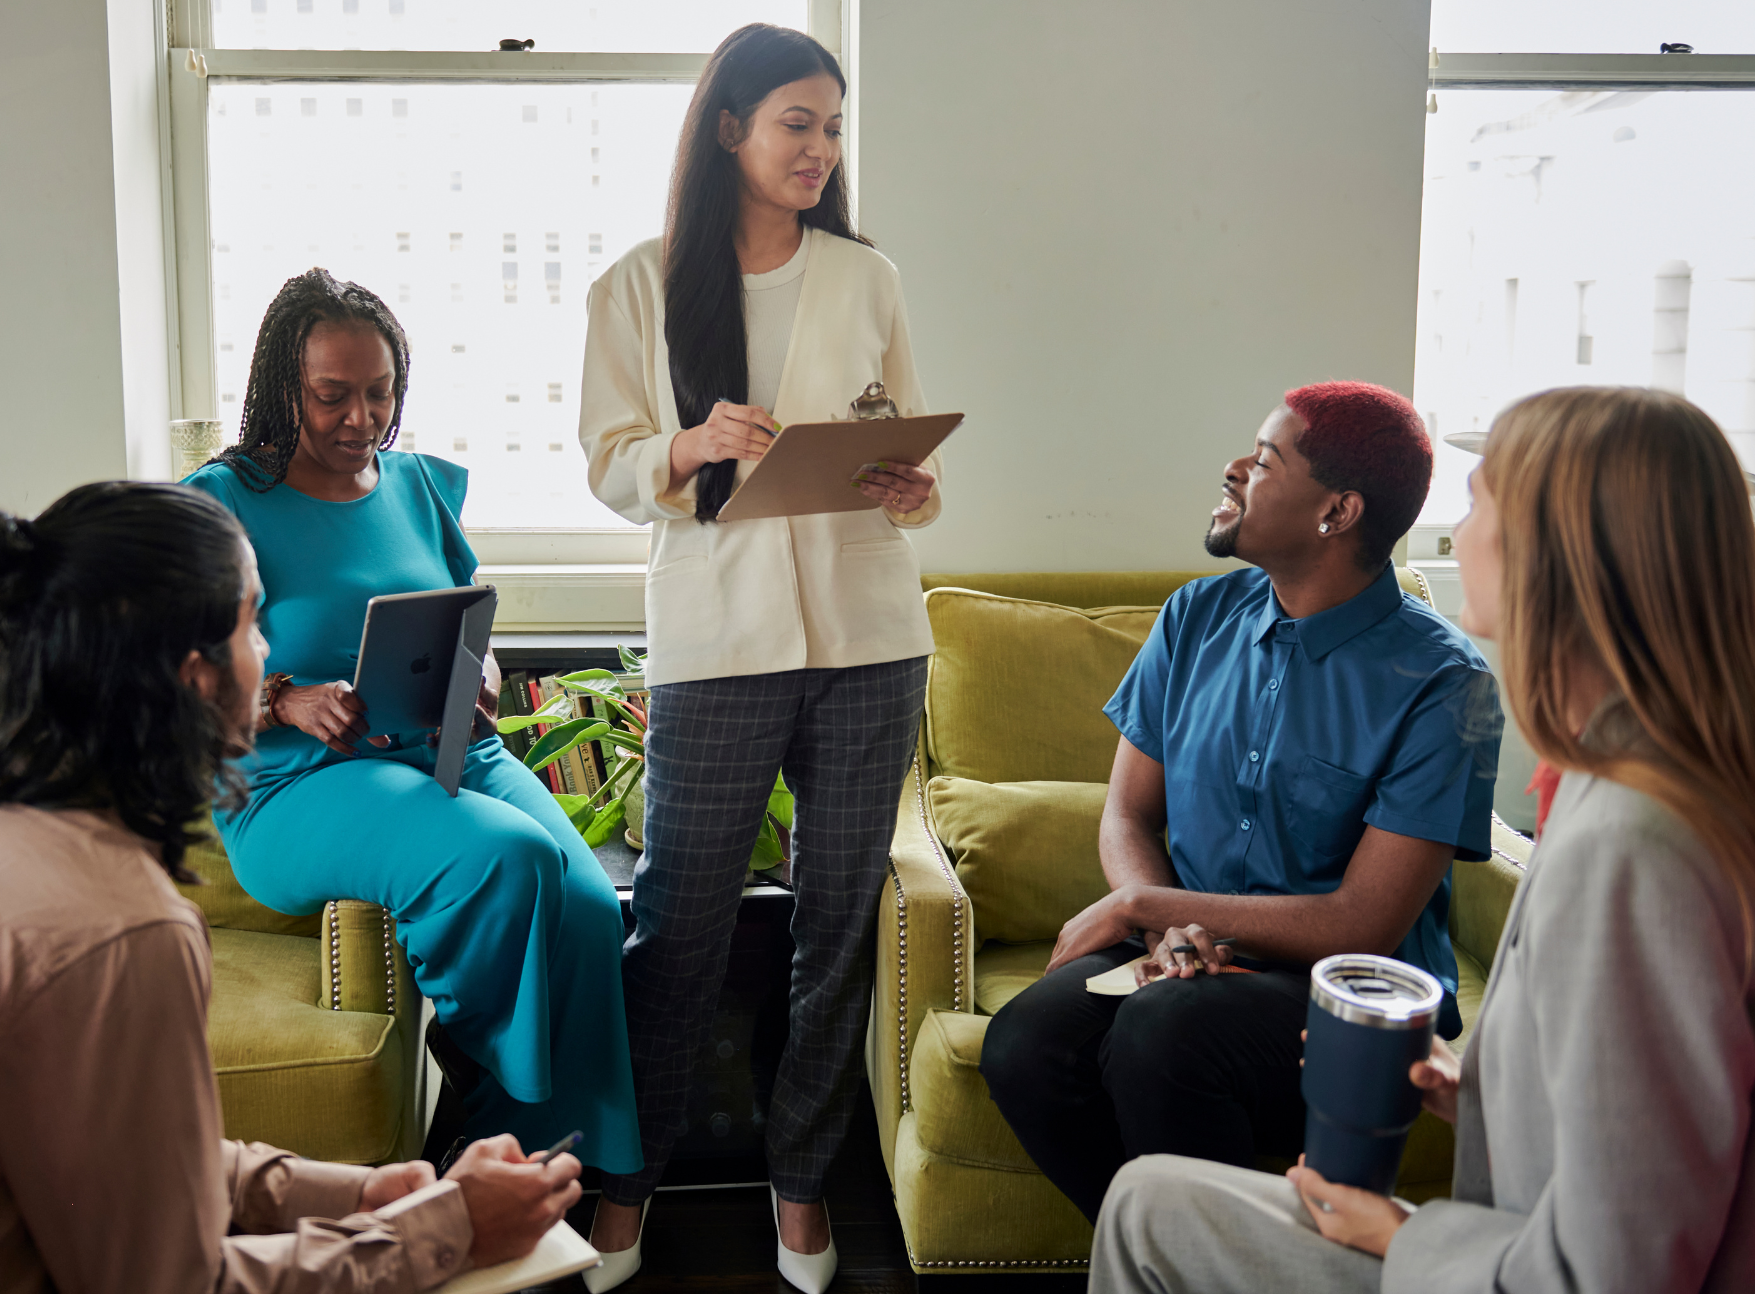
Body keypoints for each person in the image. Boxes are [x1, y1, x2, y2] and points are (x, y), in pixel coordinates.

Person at [0, 482, 582, 1291]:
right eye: (255, 625)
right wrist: (449, 1230)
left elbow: (126, 1152)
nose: (269, 657)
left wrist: (360, 1194)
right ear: (195, 677)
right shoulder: (121, 932)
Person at [1087, 386, 1755, 1293]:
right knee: (1130, 1174)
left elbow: (1619, 1266)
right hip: (1494, 1238)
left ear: (1561, 557)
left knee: (1145, 1207)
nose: (1453, 532)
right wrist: (1468, 1090)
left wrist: (1402, 1237)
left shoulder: (1630, 847)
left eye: (1479, 504)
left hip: (1489, 1264)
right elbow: (1628, 1104)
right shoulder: (1618, 789)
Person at [577, 23, 942, 1294]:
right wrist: (688, 445)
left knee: (834, 927)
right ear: (727, 128)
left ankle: (800, 1178)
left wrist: (907, 482)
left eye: (832, 128)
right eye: (796, 122)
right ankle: (625, 1180)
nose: (819, 148)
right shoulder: (638, 283)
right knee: (675, 928)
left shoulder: (867, 276)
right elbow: (613, 463)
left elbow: (910, 471)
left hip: (868, 637)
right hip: (716, 641)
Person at [979, 381, 1503, 1222]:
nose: (1233, 470)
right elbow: (1127, 813)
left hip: (1342, 989)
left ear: (1337, 512)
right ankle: (1174, 1262)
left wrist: (1146, 903)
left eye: (1264, 461)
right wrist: (1165, 930)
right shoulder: (1194, 616)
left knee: (1162, 1038)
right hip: (1185, 949)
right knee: (1025, 1045)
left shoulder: (1444, 683)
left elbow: (1364, 920)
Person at [185, 269, 642, 1175]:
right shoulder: (223, 500)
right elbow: (170, 664)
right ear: (285, 388)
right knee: (508, 863)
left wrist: (482, 674)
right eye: (332, 396)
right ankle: (504, 1134)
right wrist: (284, 697)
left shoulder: (416, 486)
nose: (361, 418)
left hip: (448, 748)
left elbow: (469, 617)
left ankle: (586, 1162)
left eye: (379, 392)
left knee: (591, 907)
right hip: (297, 784)